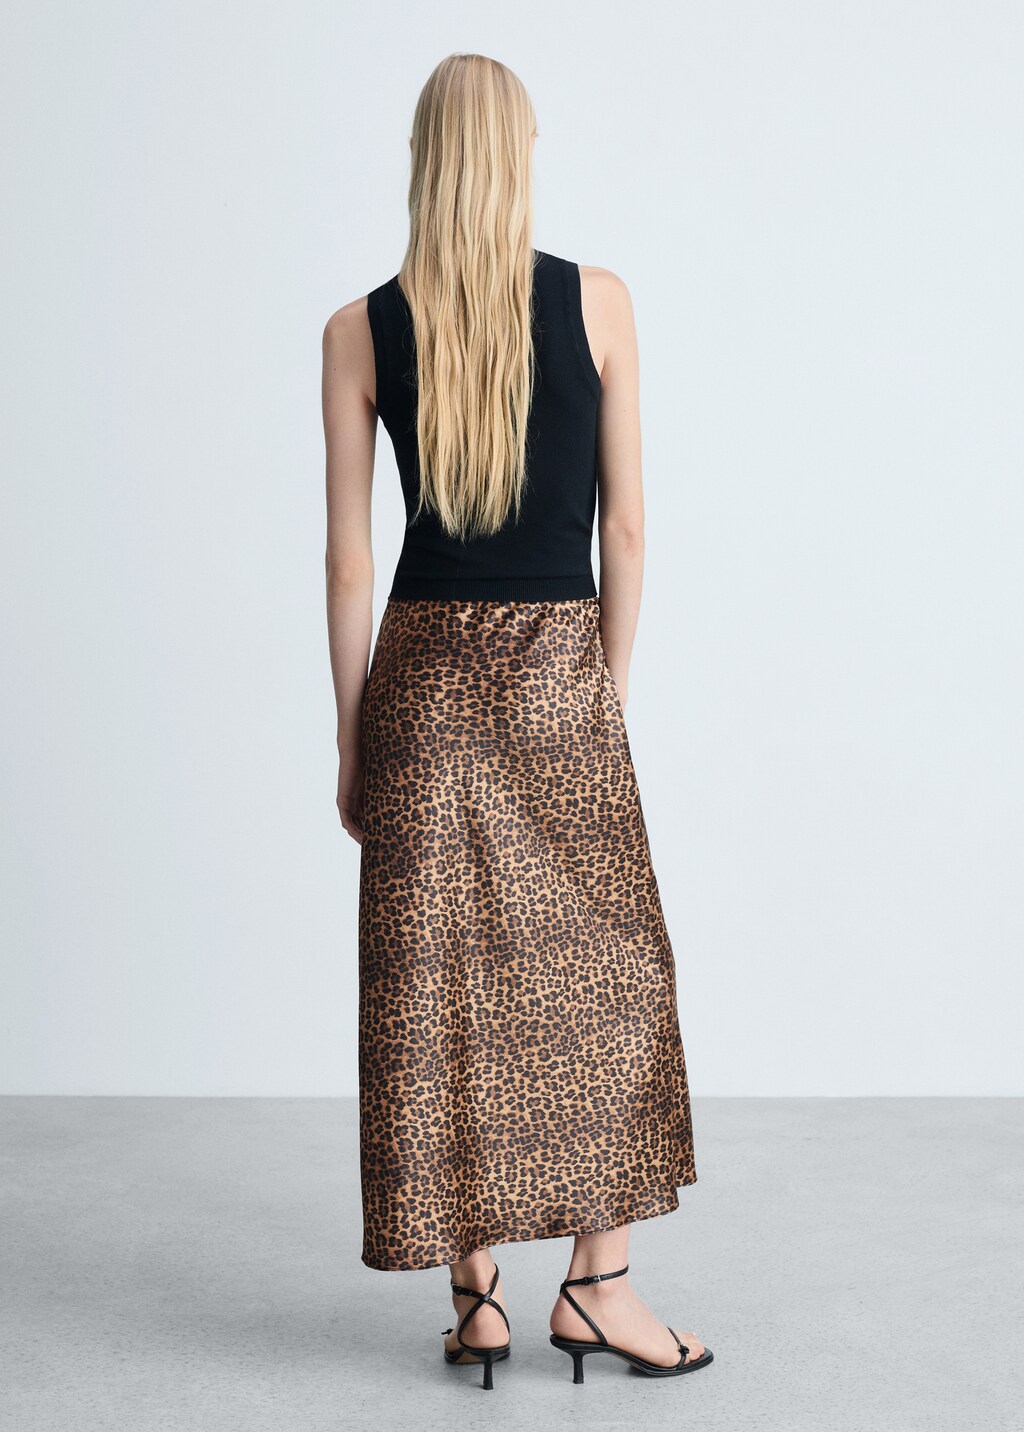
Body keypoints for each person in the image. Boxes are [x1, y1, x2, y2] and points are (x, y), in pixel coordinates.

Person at [321, 52, 712, 1391]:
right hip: (557, 670)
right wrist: (604, 686)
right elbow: (630, 530)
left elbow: (347, 562)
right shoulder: (598, 301)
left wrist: (353, 737)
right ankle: (597, 1288)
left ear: (424, 162)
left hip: (421, 680)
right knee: (610, 974)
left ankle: (476, 1294)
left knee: (436, 981)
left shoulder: (359, 329)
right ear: (521, 155)